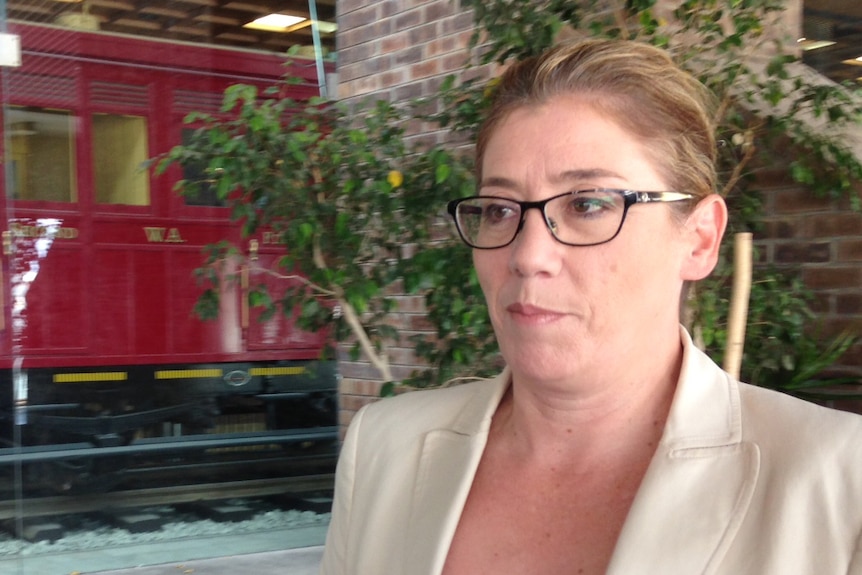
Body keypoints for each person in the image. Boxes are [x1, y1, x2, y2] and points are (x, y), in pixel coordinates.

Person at [319, 38, 862, 575]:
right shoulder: (384, 450)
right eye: (500, 210)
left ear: (699, 239)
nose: (529, 257)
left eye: (589, 204)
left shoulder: (835, 478)